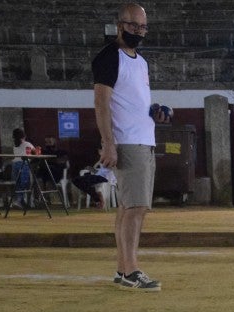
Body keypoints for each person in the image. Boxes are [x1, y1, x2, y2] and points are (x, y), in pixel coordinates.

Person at [93, 2, 166, 291]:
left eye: (143, 27)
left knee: (128, 208)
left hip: (143, 139)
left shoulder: (141, 62)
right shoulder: (109, 57)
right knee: (135, 208)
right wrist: (108, 143)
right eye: (133, 25)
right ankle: (130, 270)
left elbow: (134, 101)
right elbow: (101, 103)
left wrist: (155, 112)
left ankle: (123, 268)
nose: (138, 31)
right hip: (128, 142)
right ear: (120, 25)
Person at [10, 128, 35, 208]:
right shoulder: (27, 144)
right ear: (24, 136)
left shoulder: (15, 146)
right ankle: (22, 200)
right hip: (24, 164)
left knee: (17, 183)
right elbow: (35, 152)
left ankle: (18, 200)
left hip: (14, 165)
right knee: (25, 183)